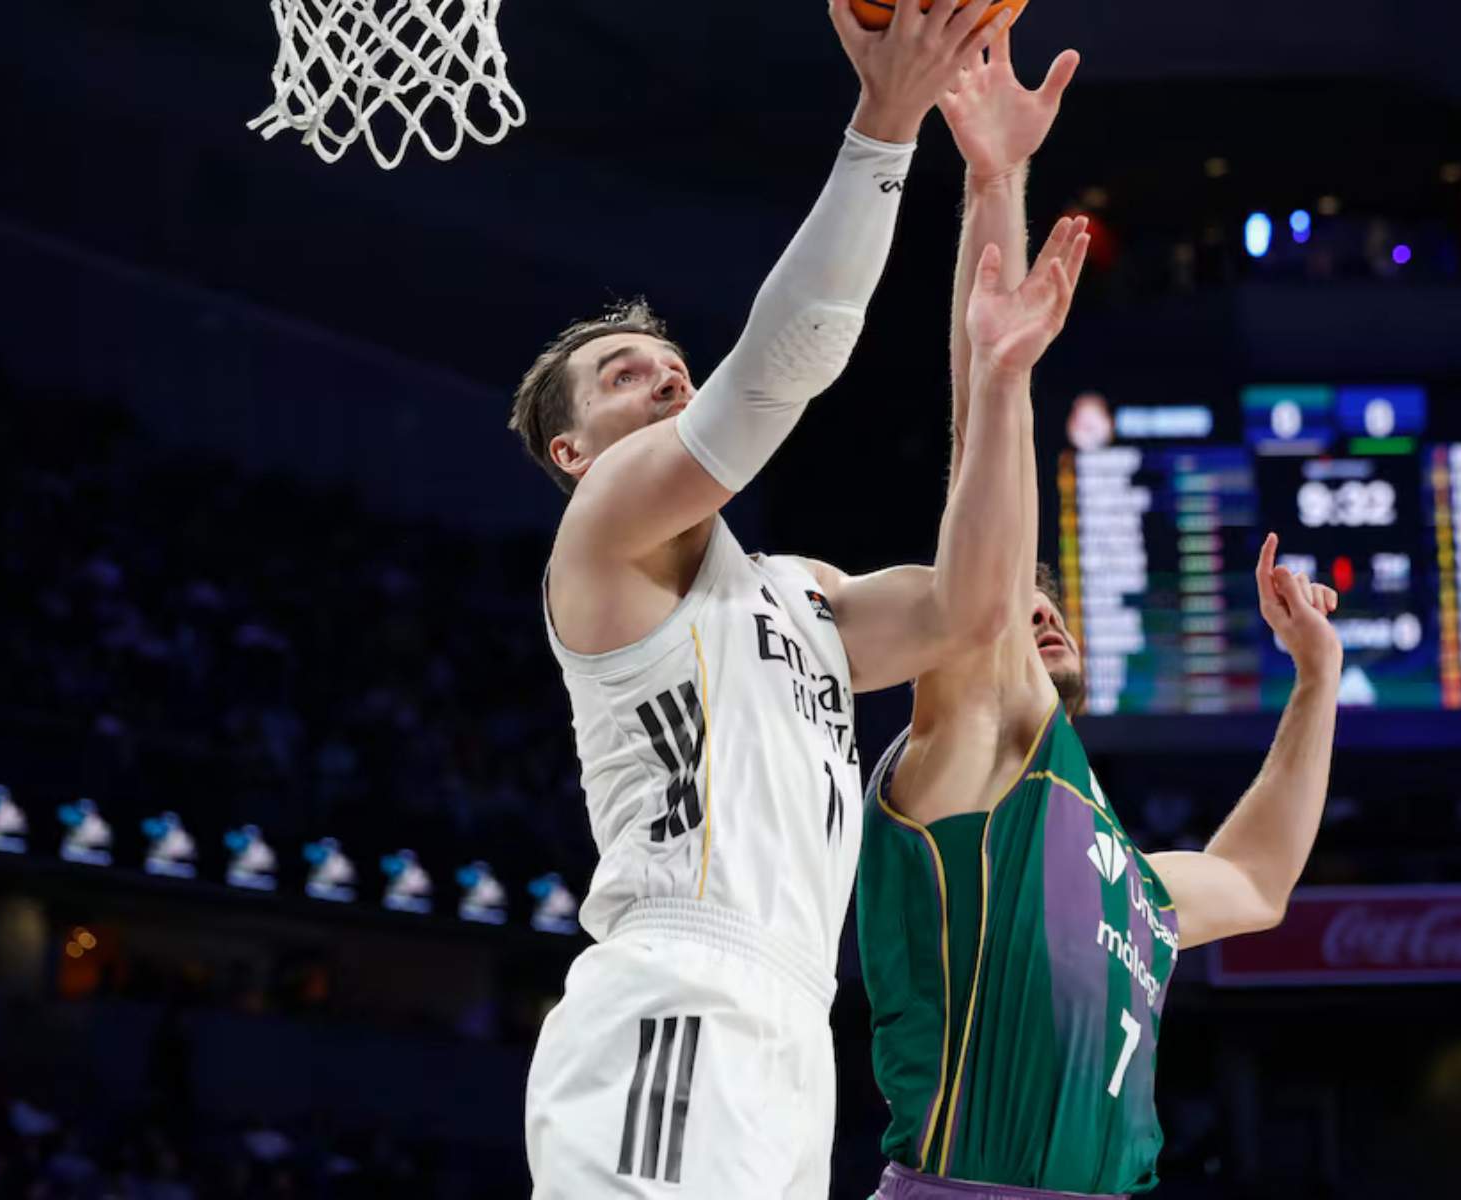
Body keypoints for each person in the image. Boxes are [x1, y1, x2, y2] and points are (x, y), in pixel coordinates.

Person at [517, 4, 1038, 1194]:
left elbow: (977, 603)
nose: (661, 369)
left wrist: (996, 197)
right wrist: (884, 122)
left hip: (795, 1028)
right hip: (674, 993)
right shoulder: (598, 537)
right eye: (620, 374)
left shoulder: (803, 595)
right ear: (569, 453)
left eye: (667, 362)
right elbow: (772, 376)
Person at [857, 27, 1346, 1196]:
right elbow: (982, 499)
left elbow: (1260, 881)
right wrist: (993, 182)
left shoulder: (1123, 873)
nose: (1037, 611)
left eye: (1045, 599)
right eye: (1017, 596)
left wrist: (1316, 682)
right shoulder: (982, 753)